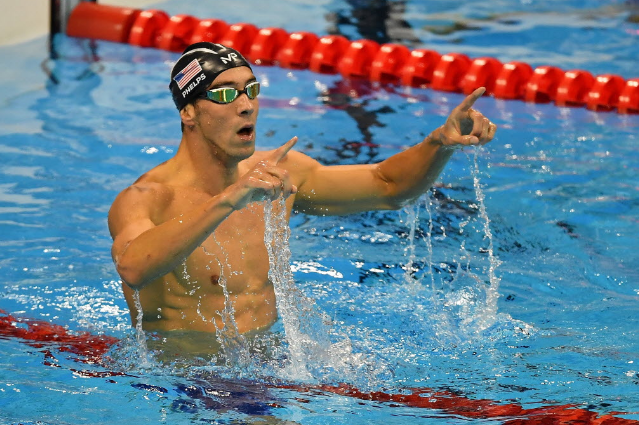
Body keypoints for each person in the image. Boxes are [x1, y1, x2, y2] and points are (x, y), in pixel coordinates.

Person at [107, 42, 496, 348]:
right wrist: (228, 198)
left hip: (267, 367)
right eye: (225, 95)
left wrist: (439, 143)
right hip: (190, 384)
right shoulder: (147, 198)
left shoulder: (277, 172)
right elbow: (133, 266)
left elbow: (388, 187)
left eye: (251, 90)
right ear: (188, 112)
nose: (246, 106)